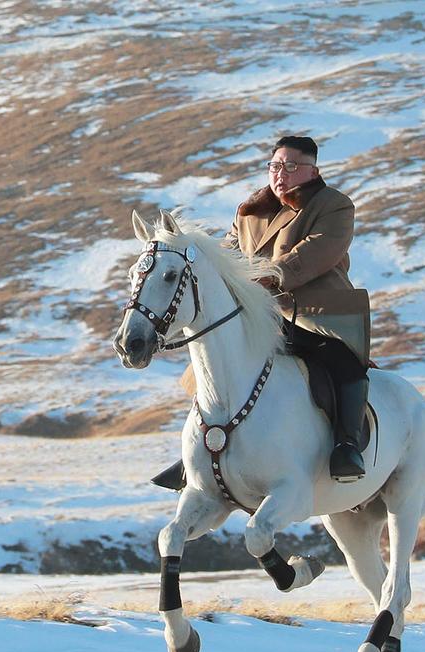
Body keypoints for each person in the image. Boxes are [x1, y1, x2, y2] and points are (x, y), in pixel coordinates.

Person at [150, 135, 370, 490]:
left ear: (312, 170)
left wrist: (265, 277)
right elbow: (227, 255)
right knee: (210, 368)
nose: (280, 174)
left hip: (314, 313)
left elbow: (316, 253)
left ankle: (346, 446)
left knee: (343, 364)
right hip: (258, 314)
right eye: (275, 166)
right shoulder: (248, 210)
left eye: (291, 167)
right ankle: (201, 452)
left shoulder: (334, 206)